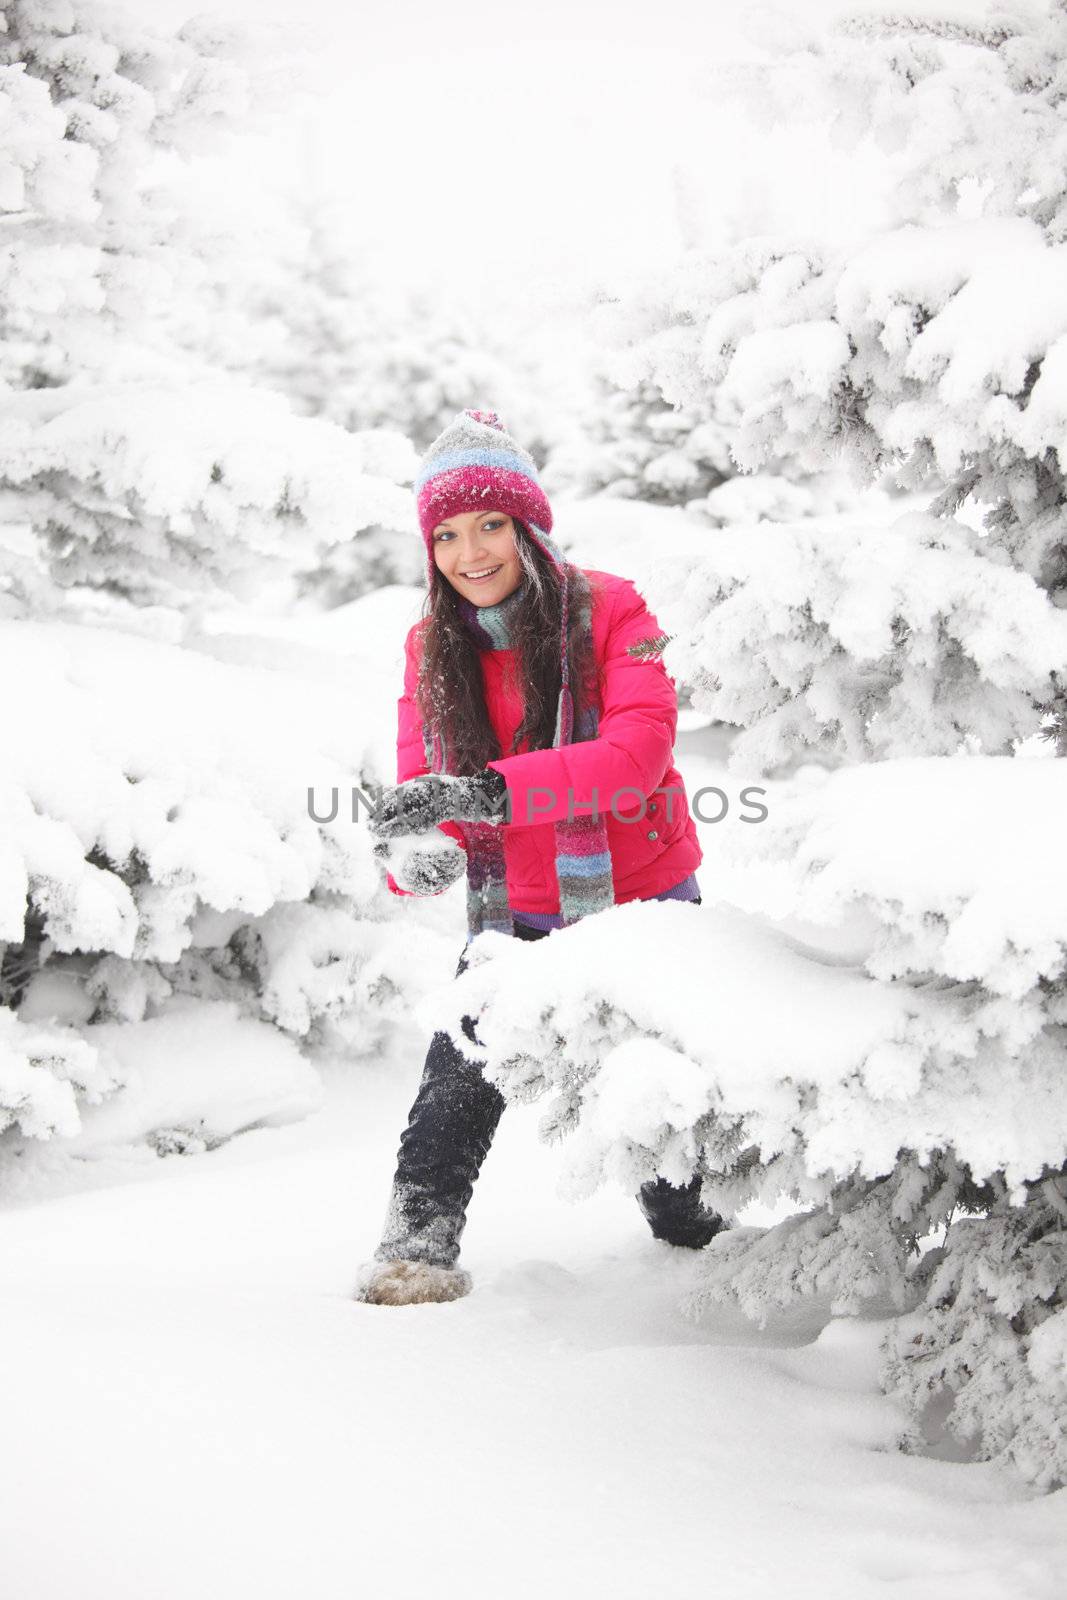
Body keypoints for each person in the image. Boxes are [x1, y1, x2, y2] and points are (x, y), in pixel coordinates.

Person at [355, 408, 727, 1307]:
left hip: (639, 903)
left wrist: (483, 795)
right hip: (510, 911)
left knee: (649, 1101)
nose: (469, 552)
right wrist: (422, 853)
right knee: (456, 1078)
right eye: (445, 533)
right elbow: (423, 784)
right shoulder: (428, 644)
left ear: (528, 526)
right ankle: (415, 1253)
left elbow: (637, 756)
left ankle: (695, 1246)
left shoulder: (612, 609)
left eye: (489, 525)